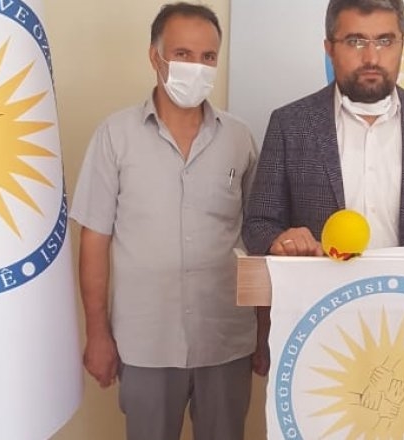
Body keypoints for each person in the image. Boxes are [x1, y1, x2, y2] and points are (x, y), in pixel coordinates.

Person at [70, 3, 266, 439]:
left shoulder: (239, 139)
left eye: (208, 57)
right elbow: (95, 239)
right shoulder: (115, 136)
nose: (196, 67)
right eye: (182, 54)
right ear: (155, 57)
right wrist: (97, 334)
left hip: (226, 339)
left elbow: (258, 238)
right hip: (145, 344)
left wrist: (265, 329)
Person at [242, 0, 404, 257]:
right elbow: (259, 225)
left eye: (385, 41)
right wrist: (282, 241)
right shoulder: (290, 124)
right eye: (355, 41)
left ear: (402, 45)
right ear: (329, 48)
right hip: (323, 283)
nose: (371, 58)